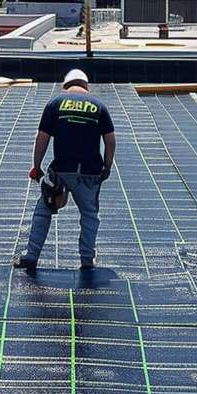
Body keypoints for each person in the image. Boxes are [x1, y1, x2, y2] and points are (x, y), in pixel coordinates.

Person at [14, 69, 116, 273]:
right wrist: (107, 166)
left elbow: (41, 138)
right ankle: (87, 259)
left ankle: (31, 256)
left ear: (66, 85)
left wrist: (37, 166)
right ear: (86, 86)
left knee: (43, 211)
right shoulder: (99, 107)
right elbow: (110, 141)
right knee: (89, 214)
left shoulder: (55, 103)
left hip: (61, 171)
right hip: (89, 171)